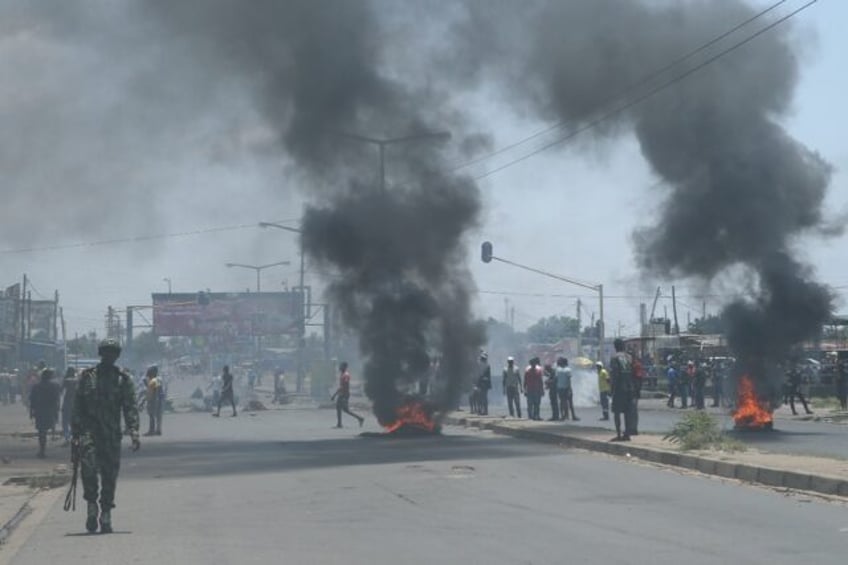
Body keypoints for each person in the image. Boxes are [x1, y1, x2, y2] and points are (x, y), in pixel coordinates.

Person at [71, 339, 140, 533]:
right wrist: (75, 432)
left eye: (113, 352)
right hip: (88, 433)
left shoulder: (123, 379)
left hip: (110, 436)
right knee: (89, 471)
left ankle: (106, 513)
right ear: (101, 354)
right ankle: (92, 507)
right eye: (106, 352)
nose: (109, 356)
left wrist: (134, 431)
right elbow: (78, 406)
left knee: (109, 476)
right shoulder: (87, 377)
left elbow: (130, 408)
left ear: (117, 355)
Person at [30, 368, 61, 458]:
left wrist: (31, 412)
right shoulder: (54, 386)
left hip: (40, 411)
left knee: (41, 432)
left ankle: (42, 450)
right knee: (48, 427)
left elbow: (32, 400)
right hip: (49, 410)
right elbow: (56, 400)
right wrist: (56, 412)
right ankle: (51, 436)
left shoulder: (36, 386)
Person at [609, 338, 634, 442]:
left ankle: (619, 434)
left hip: (619, 387)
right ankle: (627, 434)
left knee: (617, 412)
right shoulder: (629, 357)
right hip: (629, 387)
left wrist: (612, 388)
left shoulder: (614, 358)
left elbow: (615, 375)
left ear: (615, 347)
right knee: (628, 412)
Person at [332, 362, 364, 428]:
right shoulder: (343, 374)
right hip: (343, 394)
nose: (340, 367)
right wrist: (335, 394)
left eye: (341, 366)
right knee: (344, 409)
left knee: (341, 408)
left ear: (344, 367)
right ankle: (359, 418)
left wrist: (335, 395)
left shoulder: (345, 375)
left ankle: (340, 424)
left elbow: (344, 385)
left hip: (344, 394)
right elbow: (342, 386)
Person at [144, 366, 162, 435]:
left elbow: (156, 391)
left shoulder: (154, 380)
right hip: (152, 400)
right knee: (153, 416)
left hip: (153, 400)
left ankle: (151, 431)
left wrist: (154, 400)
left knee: (152, 416)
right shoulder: (154, 380)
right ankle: (154, 430)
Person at [61, 368, 77, 444]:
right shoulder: (77, 381)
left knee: (65, 421)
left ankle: (67, 437)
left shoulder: (66, 381)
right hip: (75, 403)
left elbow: (61, 391)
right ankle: (72, 435)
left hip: (67, 402)